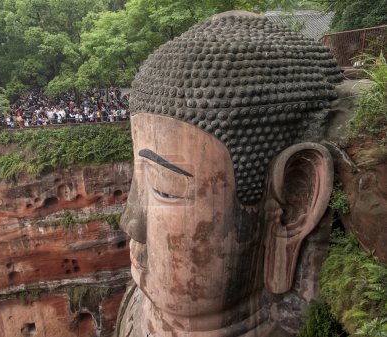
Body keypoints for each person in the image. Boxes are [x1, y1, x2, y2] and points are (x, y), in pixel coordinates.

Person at [115, 10, 342, 337]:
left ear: (294, 205)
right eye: (138, 180)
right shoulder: (134, 307)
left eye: (164, 188)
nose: (130, 222)